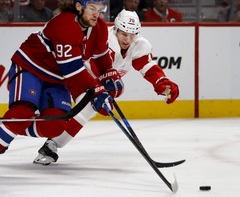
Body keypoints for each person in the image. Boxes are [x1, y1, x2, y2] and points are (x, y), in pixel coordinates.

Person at [0, 0, 123, 178]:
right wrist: (96, 90)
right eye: (92, 8)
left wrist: (109, 74)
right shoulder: (64, 24)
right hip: (31, 68)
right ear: (79, 6)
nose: (97, 14)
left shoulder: (98, 27)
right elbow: (72, 71)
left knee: (55, 125)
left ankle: (10, 129)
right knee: (21, 112)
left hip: (56, 79)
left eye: (100, 9)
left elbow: (101, 59)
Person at [32, 9, 179, 166]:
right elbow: (95, 65)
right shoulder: (106, 39)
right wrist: (103, 84)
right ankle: (19, 127)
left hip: (90, 81)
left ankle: (50, 146)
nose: (127, 39)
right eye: (123, 33)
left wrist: (162, 82)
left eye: (132, 34)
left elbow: (148, 66)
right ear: (115, 29)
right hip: (73, 73)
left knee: (90, 108)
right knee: (61, 110)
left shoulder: (139, 45)